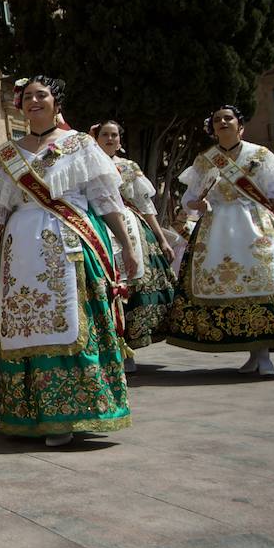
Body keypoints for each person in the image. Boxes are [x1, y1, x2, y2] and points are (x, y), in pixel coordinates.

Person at [0, 76, 137, 448]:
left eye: (40, 95)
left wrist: (125, 244)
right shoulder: (7, 154)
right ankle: (30, 411)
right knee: (24, 325)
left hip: (68, 247)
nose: (33, 100)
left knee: (70, 321)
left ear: (56, 101)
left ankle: (70, 411)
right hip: (19, 248)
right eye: (27, 96)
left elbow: (106, 200)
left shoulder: (80, 145)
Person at [163, 105, 274, 376]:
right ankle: (252, 351)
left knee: (263, 281)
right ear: (212, 128)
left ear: (239, 125)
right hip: (216, 227)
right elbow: (188, 199)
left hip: (256, 224)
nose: (223, 122)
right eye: (217, 120)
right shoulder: (205, 160)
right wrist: (195, 203)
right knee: (227, 287)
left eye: (228, 118)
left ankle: (264, 353)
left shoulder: (260, 154)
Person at [91, 121, 176, 372]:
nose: (109, 138)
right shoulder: (86, 165)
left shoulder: (129, 167)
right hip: (97, 226)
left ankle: (128, 350)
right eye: (104, 134)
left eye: (114, 135)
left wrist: (161, 238)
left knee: (132, 289)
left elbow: (146, 205)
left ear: (120, 140)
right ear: (95, 138)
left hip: (131, 227)